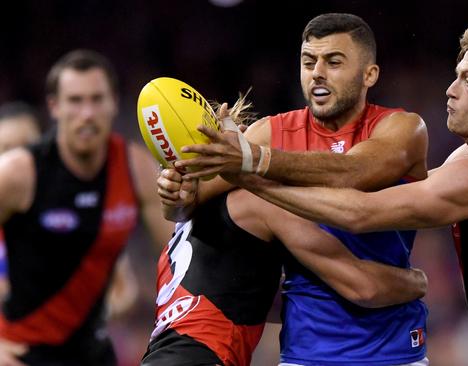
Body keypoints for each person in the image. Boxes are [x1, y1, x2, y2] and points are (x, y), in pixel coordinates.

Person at [223, 26, 468, 365]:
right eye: (456, 75)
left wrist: (254, 175)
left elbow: (362, 213)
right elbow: (388, 192)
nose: (451, 89)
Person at [159, 13, 430, 366]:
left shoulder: (403, 128)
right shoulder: (270, 132)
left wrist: (254, 162)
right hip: (306, 352)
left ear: (370, 74)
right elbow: (189, 205)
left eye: (333, 62)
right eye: (308, 62)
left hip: (394, 349)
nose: (317, 72)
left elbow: (355, 171)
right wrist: (174, 192)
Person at [0, 50, 173, 366]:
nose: (87, 113)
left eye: (97, 99)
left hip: (94, 353)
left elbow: (179, 258)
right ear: (54, 106)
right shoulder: (18, 173)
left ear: (114, 103)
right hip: (22, 354)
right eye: (76, 100)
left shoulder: (136, 169)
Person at [142, 184, 428, 366]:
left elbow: (249, 301)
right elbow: (362, 286)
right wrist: (416, 282)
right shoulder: (258, 202)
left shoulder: (185, 229)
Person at [0, 102, 43, 302]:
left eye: (26, 147)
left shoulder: (78, 210)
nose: (17, 159)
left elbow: (123, 291)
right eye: (6, 149)